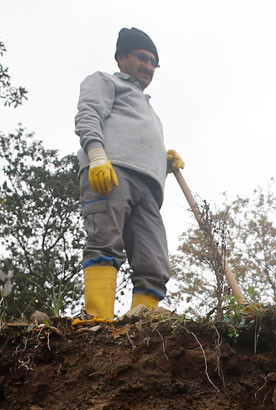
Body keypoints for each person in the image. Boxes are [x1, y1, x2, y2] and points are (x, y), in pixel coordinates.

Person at [74, 27, 184, 321]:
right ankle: (98, 320)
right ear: (122, 57)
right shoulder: (105, 81)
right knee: (105, 241)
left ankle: (139, 328)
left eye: (153, 63)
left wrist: (163, 161)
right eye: (142, 58)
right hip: (110, 173)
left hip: (148, 190)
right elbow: (88, 114)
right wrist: (97, 156)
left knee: (155, 263)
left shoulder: (149, 109)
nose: (148, 67)